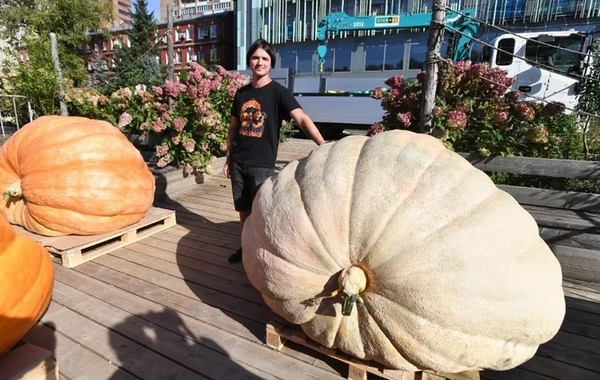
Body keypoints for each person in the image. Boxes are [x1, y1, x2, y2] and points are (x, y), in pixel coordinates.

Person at [223, 38, 327, 264]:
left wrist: (323, 143)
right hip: (239, 160)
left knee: (262, 209)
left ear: (271, 64)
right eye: (255, 57)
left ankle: (265, 250)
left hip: (262, 163)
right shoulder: (241, 94)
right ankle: (246, 247)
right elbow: (233, 127)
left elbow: (301, 118)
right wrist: (229, 157)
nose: (259, 62)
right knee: (243, 208)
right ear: (249, 61)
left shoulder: (278, 93)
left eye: (264, 58)